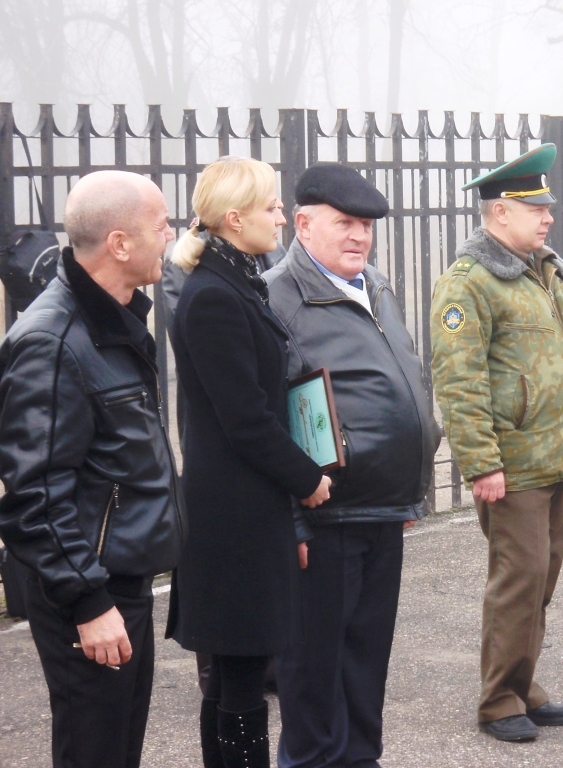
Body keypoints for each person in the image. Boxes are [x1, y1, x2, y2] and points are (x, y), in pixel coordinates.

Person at [0, 170, 185, 768]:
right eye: (161, 226)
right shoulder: (52, 341)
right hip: (89, 590)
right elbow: (34, 494)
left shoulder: (116, 320)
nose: (172, 236)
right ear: (119, 243)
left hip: (121, 580)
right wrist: (87, 601)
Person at [264, 163, 440, 768]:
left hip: (383, 510)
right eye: (345, 223)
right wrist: (292, 522)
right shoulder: (277, 299)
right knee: (315, 670)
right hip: (325, 515)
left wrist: (409, 486)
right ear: (304, 224)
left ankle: (361, 759)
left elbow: (403, 381)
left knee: (366, 662)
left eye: (366, 226)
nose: (358, 236)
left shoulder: (375, 285)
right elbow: (268, 424)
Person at [430, 144, 563, 743]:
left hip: (554, 455)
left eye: (547, 206)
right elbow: (459, 380)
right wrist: (480, 463)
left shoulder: (544, 271)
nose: (548, 216)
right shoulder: (469, 284)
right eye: (534, 207)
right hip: (513, 463)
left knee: (542, 578)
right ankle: (499, 700)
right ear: (499, 213)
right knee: (519, 578)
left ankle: (525, 686)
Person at [166, 156, 332, 768]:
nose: (282, 216)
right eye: (270, 207)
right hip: (231, 512)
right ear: (235, 219)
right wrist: (306, 478)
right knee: (239, 673)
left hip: (244, 503)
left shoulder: (235, 278)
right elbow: (244, 419)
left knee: (237, 668)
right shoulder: (214, 296)